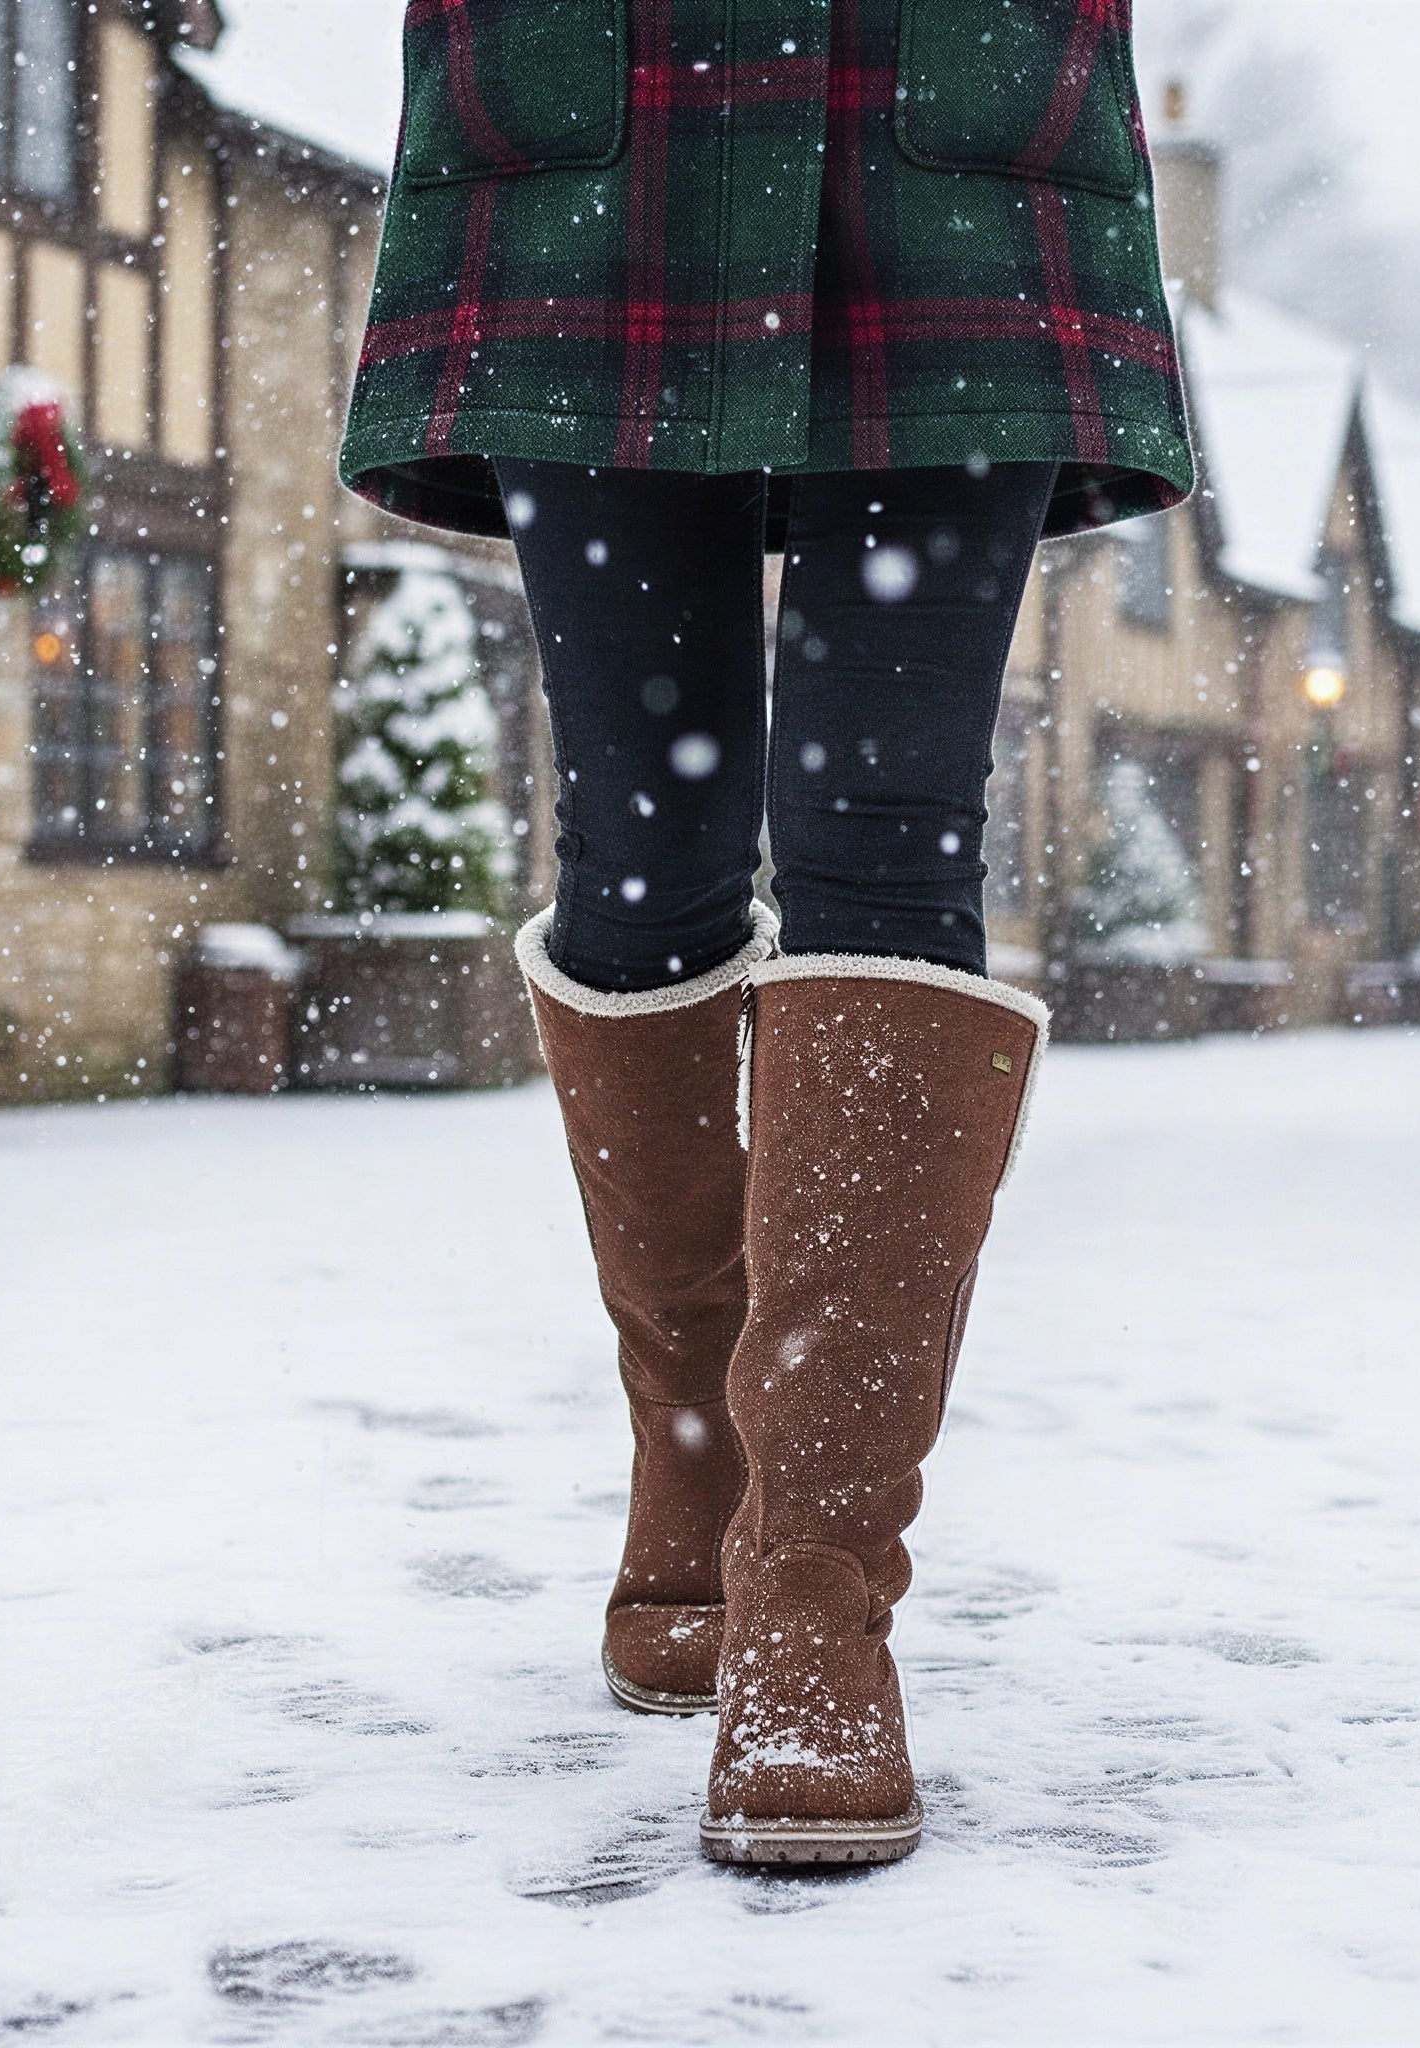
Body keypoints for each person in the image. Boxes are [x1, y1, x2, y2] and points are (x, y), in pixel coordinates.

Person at [339, 0, 1194, 1865]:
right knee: (644, 854)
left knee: (888, 841)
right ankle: (699, 1450)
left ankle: (814, 1595)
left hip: (949, 147)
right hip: (597, 145)